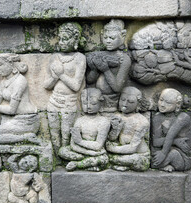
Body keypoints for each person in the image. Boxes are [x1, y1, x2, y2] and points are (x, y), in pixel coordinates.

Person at [44, 22, 86, 152]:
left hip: (69, 102)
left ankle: (66, 155)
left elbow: (76, 86)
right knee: (54, 133)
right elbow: (46, 85)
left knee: (66, 132)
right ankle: (57, 155)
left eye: (65, 39)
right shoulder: (54, 57)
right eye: (60, 39)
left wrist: (61, 74)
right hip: (53, 100)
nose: (61, 42)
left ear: (75, 40)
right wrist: (55, 76)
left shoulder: (79, 58)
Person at [0, 54, 40, 144]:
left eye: (0, 64)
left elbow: (12, 110)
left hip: (27, 120)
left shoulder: (20, 81)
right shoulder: (4, 82)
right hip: (15, 119)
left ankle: (26, 137)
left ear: (11, 64)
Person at [58, 88, 110, 171]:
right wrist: (88, 153)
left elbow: (98, 145)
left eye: (93, 103)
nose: (88, 106)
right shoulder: (79, 120)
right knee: (62, 151)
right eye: (85, 103)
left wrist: (80, 142)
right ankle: (88, 164)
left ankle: (77, 164)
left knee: (103, 159)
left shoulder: (104, 121)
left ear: (101, 103)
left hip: (96, 152)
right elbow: (73, 144)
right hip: (86, 152)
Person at [86, 19, 131, 112]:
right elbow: (90, 81)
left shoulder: (124, 58)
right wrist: (94, 69)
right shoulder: (99, 54)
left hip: (113, 100)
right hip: (95, 99)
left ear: (122, 36)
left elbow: (117, 87)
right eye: (105, 37)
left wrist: (105, 70)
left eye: (112, 38)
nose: (108, 41)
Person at [151, 88, 191, 172]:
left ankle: (162, 164)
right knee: (155, 154)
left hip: (184, 157)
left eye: (168, 103)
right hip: (170, 149)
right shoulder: (157, 118)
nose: (162, 104)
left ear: (177, 105)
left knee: (170, 155)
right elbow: (155, 142)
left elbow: (170, 135)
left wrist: (163, 153)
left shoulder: (183, 117)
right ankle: (163, 164)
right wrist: (176, 141)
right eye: (161, 100)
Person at [106, 87, 150, 171]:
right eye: (122, 99)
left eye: (131, 102)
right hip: (122, 151)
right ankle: (122, 164)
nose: (125, 104)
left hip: (139, 155)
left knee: (118, 159)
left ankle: (122, 164)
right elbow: (112, 138)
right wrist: (116, 129)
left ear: (138, 104)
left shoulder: (142, 121)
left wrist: (112, 149)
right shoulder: (117, 116)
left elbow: (133, 147)